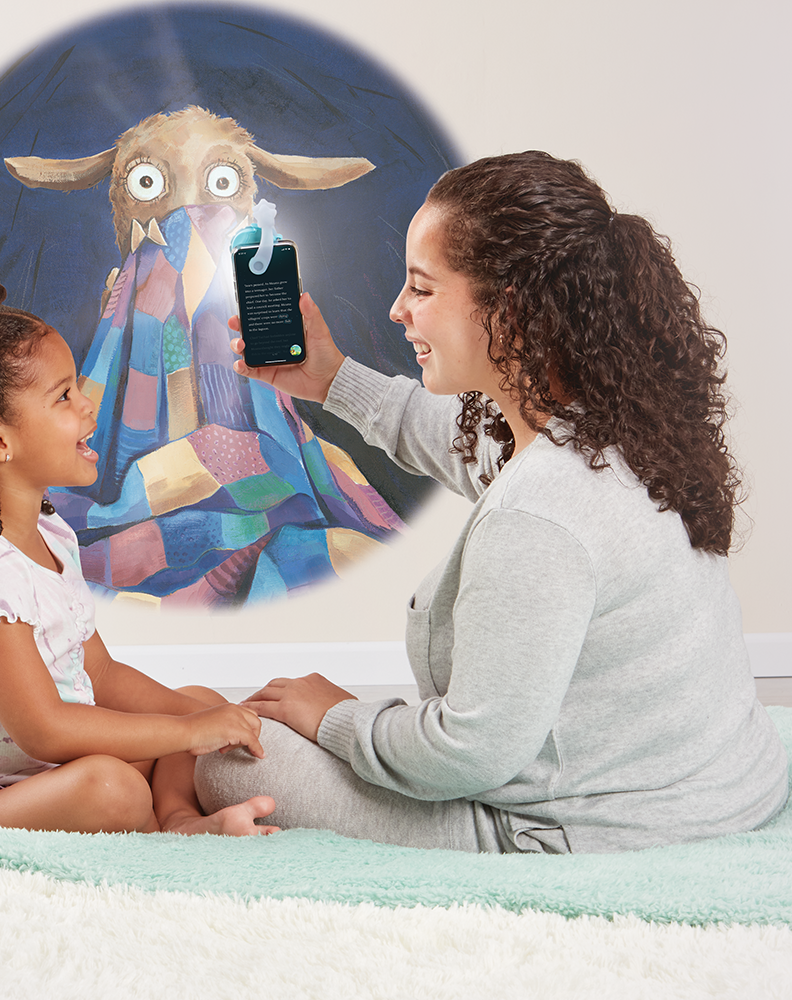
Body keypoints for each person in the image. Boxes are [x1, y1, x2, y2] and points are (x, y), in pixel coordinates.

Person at [195, 151, 789, 853]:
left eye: (421, 288)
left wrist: (339, 718)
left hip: (590, 828)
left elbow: (467, 754)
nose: (397, 311)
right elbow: (451, 437)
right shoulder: (608, 427)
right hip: (719, 781)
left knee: (226, 755)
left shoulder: (540, 514)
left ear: (509, 309)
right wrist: (327, 378)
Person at [0, 275, 277, 835]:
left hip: (42, 775)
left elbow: (97, 671)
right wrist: (189, 735)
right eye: (64, 396)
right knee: (114, 786)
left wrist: (198, 720)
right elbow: (45, 730)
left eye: (77, 385)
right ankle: (157, 828)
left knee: (194, 699)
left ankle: (175, 822)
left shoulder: (52, 535)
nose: (89, 404)